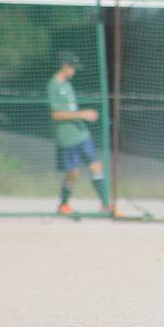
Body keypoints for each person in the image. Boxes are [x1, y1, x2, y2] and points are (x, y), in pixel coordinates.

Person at [48, 51, 111, 215]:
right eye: (72, 67)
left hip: (81, 135)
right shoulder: (53, 86)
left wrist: (82, 116)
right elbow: (56, 115)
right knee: (73, 172)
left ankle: (105, 204)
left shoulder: (67, 85)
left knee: (96, 166)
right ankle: (63, 205)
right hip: (67, 137)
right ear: (64, 66)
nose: (74, 71)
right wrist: (82, 114)